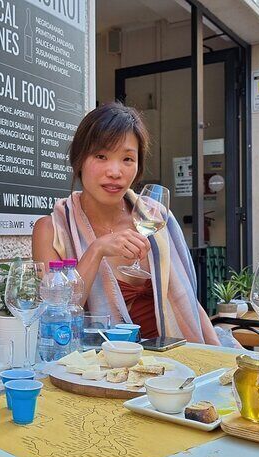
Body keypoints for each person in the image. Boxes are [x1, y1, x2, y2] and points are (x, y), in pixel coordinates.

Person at [32, 102, 219, 345]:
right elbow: (56, 314)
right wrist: (97, 250)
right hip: (96, 367)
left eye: (127, 159)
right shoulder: (51, 230)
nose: (115, 171)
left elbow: (187, 301)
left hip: (171, 361)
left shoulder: (156, 218)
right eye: (101, 156)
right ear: (78, 159)